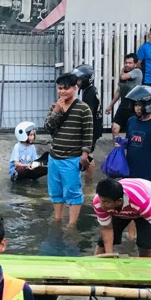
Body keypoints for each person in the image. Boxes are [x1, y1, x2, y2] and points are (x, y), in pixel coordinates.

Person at [44, 72, 94, 227]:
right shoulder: (55, 106)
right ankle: (58, 218)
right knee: (56, 191)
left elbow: (88, 133)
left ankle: (72, 224)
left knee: (72, 192)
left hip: (72, 158)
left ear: (75, 88)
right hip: (54, 156)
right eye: (60, 88)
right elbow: (48, 128)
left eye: (66, 88)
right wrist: (56, 111)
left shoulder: (83, 109)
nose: (62, 91)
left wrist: (84, 154)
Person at [92, 177, 151, 260]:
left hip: (145, 199)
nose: (101, 205)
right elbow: (106, 228)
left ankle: (148, 272)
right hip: (121, 208)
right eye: (101, 200)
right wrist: (109, 255)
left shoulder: (141, 202)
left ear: (118, 201)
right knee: (102, 244)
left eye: (105, 202)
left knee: (144, 246)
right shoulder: (99, 202)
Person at [122, 85, 151, 182]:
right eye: (135, 105)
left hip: (148, 172)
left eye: (140, 105)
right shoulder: (131, 121)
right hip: (131, 169)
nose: (137, 108)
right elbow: (129, 142)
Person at [106, 53, 143, 138]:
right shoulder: (124, 73)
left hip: (134, 105)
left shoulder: (137, 71)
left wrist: (123, 70)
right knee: (115, 128)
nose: (127, 65)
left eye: (130, 63)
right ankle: (118, 148)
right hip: (124, 104)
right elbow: (119, 90)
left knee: (132, 131)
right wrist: (110, 105)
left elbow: (123, 77)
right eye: (126, 63)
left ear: (135, 64)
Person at [74, 63, 102, 146]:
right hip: (96, 124)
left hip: (92, 127)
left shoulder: (89, 93)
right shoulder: (91, 89)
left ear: (86, 79)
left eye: (79, 80)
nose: (77, 82)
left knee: (88, 154)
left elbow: (88, 112)